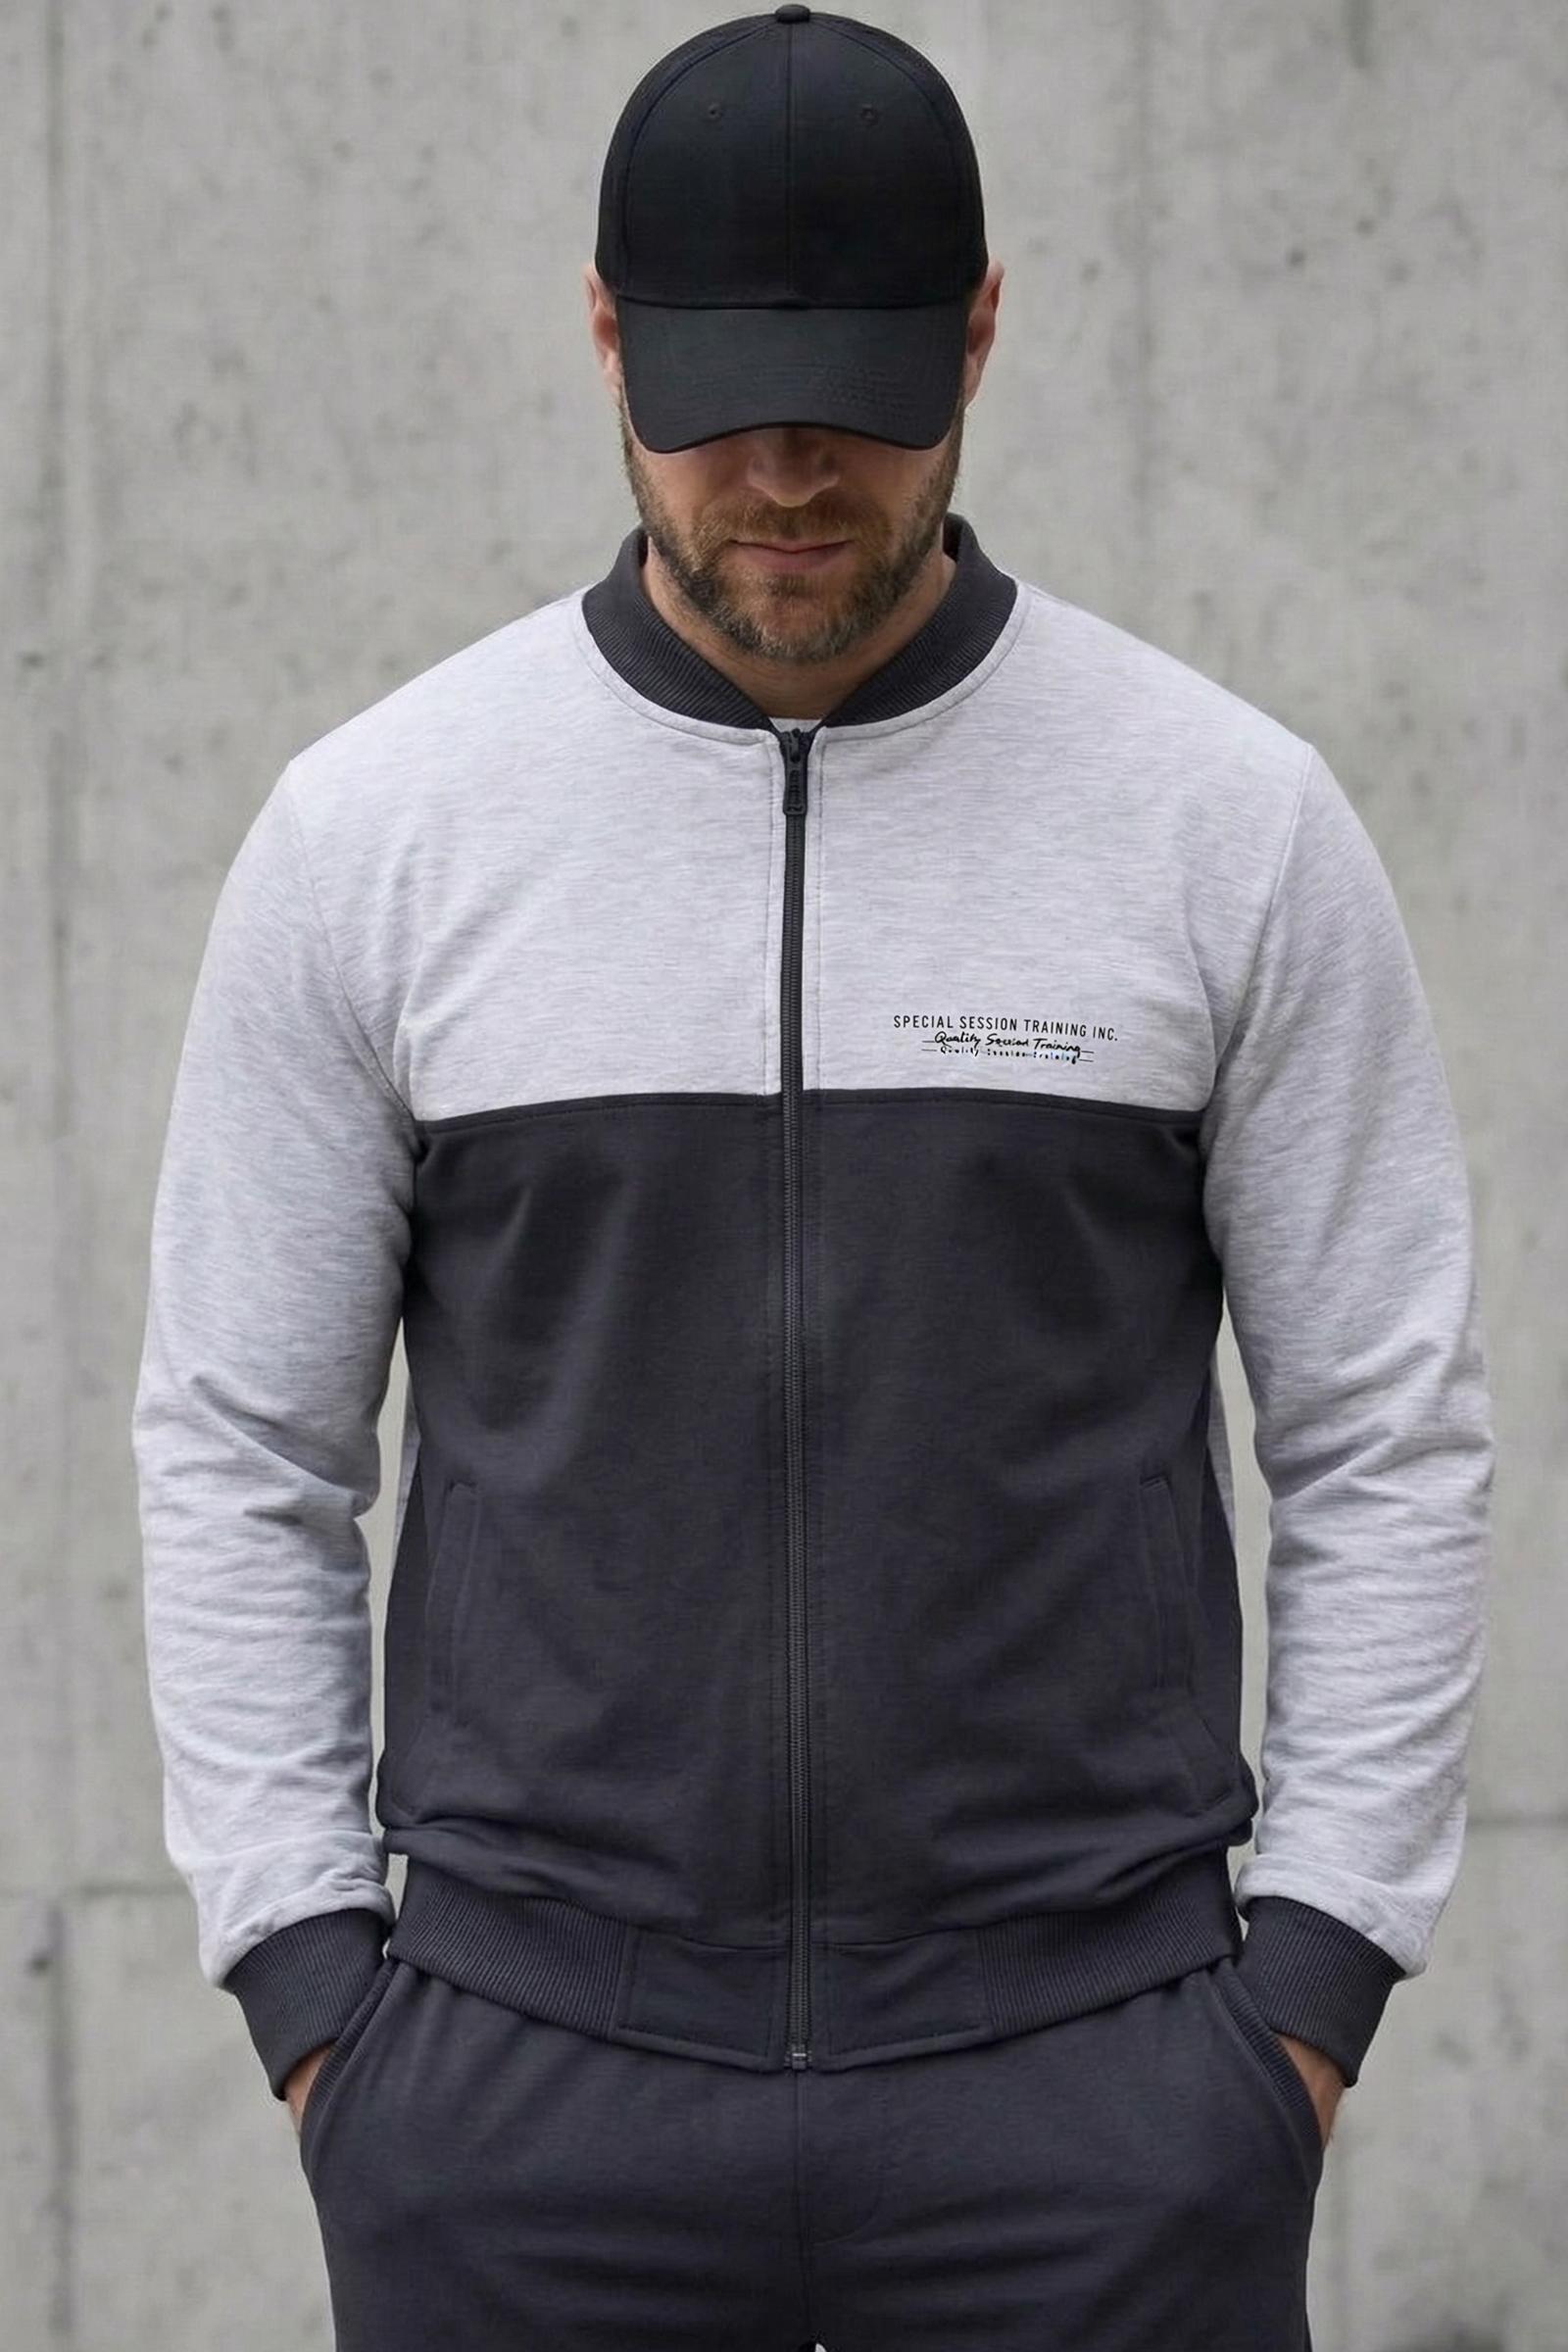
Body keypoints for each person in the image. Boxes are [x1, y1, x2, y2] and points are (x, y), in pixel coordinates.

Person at [131, 9, 1494, 2348]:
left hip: (1094, 2099)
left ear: (978, 332)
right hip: (518, 2111)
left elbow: (1385, 1427)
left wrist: (1305, 1992)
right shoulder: (381, 837)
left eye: (854, 401)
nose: (782, 477)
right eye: (715, 405)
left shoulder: (1216, 824)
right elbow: (238, 1444)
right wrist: (316, 1999)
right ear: (600, 335)